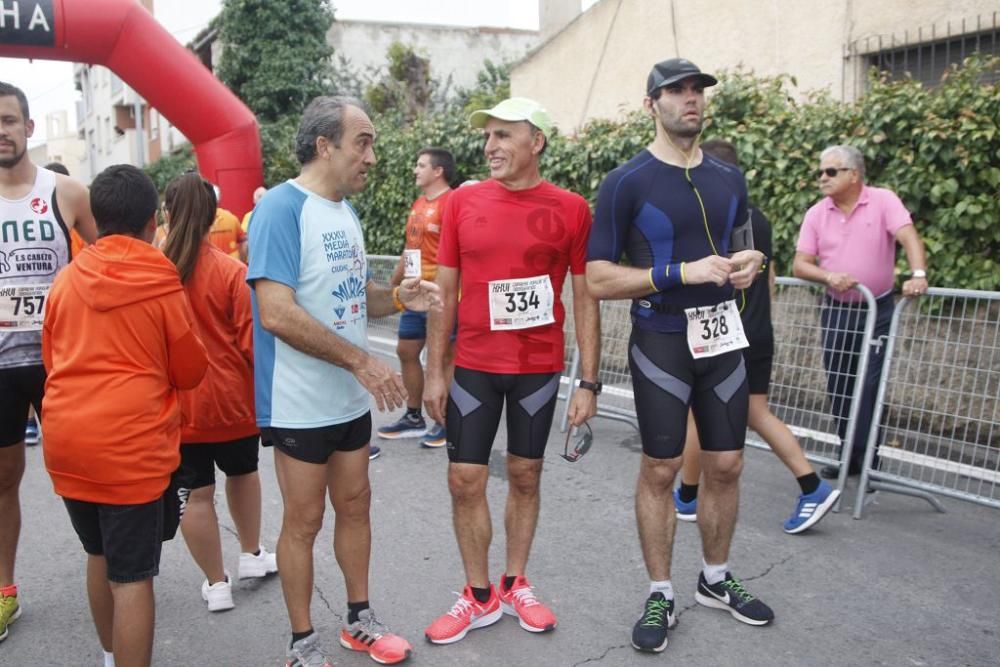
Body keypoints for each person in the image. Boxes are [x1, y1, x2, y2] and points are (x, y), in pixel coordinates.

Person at [586, 58, 774, 654]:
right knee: (662, 469)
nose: (690, 99)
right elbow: (597, 278)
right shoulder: (626, 181)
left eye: (697, 90)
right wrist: (678, 272)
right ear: (652, 105)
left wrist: (753, 264)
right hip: (662, 338)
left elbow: (745, 248)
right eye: (676, 91)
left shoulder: (728, 178)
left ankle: (715, 580)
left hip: (723, 335)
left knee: (727, 466)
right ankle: (661, 590)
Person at [248, 95, 439, 667]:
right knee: (303, 521)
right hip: (298, 403)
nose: (373, 157)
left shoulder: (344, 212)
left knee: (356, 505)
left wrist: (400, 297)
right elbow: (276, 313)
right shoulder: (281, 209)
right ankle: (301, 642)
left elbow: (356, 300)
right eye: (364, 142)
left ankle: (359, 619)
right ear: (324, 145)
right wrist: (360, 362)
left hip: (348, 403)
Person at [422, 97, 600, 645]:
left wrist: (588, 381)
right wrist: (435, 369)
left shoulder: (571, 208)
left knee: (526, 475)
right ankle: (478, 595)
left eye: (503, 136)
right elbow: (443, 292)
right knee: (463, 480)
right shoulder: (462, 202)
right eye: (487, 137)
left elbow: (586, 295)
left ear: (536, 142)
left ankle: (515, 581)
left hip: (538, 367)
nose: (490, 147)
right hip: (473, 363)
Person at [40, 164, 209, 667]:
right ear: (153, 220)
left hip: (68, 440)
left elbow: (54, 360)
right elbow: (189, 370)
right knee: (132, 577)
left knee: (98, 554)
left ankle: (111, 656)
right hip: (128, 450)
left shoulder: (67, 280)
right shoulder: (159, 279)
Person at [673, 139, 840, 534]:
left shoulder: (712, 220)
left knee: (701, 411)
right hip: (757, 328)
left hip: (726, 333)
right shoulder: (757, 217)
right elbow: (769, 277)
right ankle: (808, 486)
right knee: (754, 411)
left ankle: (688, 495)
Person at [0, 81, 98, 643]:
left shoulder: (66, 192)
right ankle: (5, 591)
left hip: (59, 363)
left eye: (10, 120)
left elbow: (111, 258)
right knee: (3, 479)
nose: (3, 132)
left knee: (82, 473)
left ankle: (105, 572)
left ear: (29, 128)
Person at [161, 172, 278, 613]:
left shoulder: (156, 272)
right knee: (244, 473)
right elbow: (251, 343)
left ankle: (216, 584)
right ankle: (251, 554)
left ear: (166, 214)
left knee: (196, 493)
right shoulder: (233, 272)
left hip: (180, 407)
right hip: (232, 403)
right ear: (216, 217)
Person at [792, 144, 927, 479]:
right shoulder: (816, 213)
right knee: (840, 382)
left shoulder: (883, 201)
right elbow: (799, 265)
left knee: (869, 384)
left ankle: (868, 460)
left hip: (875, 309)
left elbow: (908, 237)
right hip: (836, 309)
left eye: (831, 171)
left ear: (854, 175)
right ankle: (848, 453)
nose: (822, 177)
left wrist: (918, 275)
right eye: (820, 172)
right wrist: (829, 276)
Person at [376, 147, 455, 448]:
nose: (415, 170)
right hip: (414, 292)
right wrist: (392, 286)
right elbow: (410, 249)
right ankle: (413, 416)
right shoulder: (419, 204)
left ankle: (445, 420)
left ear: (438, 171)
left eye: (421, 165)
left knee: (445, 356)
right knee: (406, 351)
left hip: (440, 295)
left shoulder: (453, 202)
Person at [208, 188, 247, 262]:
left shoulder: (200, 221)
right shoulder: (232, 218)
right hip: (232, 264)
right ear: (218, 200)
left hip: (211, 264)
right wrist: (243, 261)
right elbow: (243, 243)